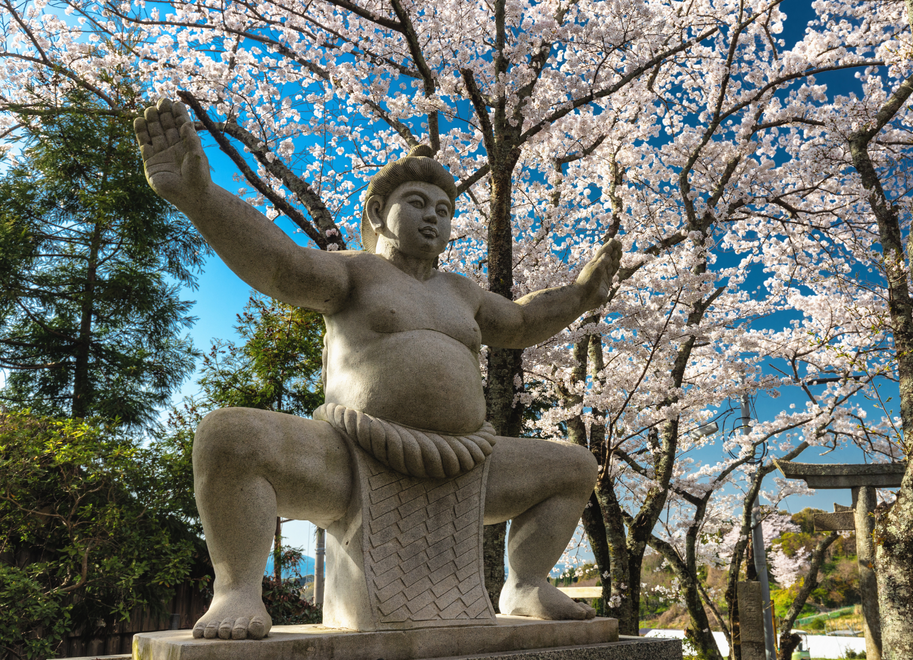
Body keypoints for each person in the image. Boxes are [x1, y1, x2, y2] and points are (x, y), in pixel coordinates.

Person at [134, 99, 622, 641]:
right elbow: (281, 265)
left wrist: (581, 295)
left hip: (469, 462)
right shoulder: (356, 271)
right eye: (417, 202)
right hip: (350, 456)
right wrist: (201, 198)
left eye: (444, 209)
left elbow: (524, 321)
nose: (434, 215)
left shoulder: (463, 293)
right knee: (228, 437)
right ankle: (237, 588)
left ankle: (527, 583)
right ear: (376, 213)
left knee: (574, 467)